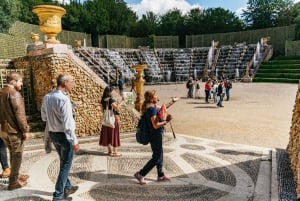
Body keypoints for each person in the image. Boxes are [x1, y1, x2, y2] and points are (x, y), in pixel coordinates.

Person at [41, 73, 80, 201]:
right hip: (64, 136)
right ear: (65, 83)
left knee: (63, 163)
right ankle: (58, 196)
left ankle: (67, 186)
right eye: (72, 82)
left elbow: (44, 117)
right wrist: (74, 141)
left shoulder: (47, 97)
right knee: (65, 165)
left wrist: (55, 117)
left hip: (53, 134)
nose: (73, 84)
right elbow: (68, 124)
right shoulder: (64, 99)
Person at [134, 90, 178, 185]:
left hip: (153, 134)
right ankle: (141, 174)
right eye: (155, 96)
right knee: (156, 157)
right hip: (155, 134)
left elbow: (163, 108)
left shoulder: (149, 106)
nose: (157, 97)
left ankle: (160, 175)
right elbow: (155, 125)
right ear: (151, 98)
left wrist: (172, 101)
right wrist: (166, 121)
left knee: (159, 153)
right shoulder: (152, 109)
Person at [0, 72, 30, 190]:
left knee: (13, 153)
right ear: (13, 81)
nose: (21, 83)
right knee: (17, 155)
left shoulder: (1, 92)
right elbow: (20, 114)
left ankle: (15, 175)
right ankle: (13, 182)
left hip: (3, 131)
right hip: (13, 131)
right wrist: (25, 130)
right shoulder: (15, 94)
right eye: (20, 81)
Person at [99, 86, 124, 156]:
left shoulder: (103, 100)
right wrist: (123, 102)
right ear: (109, 92)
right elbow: (117, 108)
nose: (113, 92)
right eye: (113, 91)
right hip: (112, 119)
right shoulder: (110, 100)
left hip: (106, 120)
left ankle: (109, 151)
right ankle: (115, 152)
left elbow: (102, 111)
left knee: (108, 135)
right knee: (114, 134)